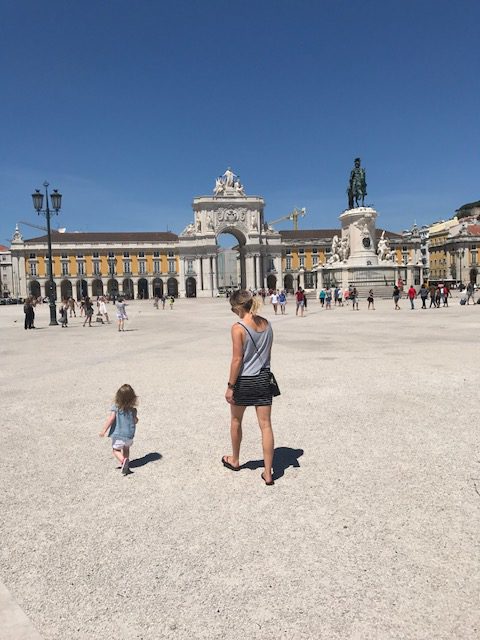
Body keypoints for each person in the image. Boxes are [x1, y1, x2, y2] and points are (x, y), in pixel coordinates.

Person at [223, 290, 276, 486]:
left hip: (244, 380)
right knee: (266, 426)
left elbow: (237, 360)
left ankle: (235, 460)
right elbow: (268, 352)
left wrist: (230, 386)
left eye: (232, 308)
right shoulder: (267, 324)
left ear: (238, 307)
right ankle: (268, 473)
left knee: (236, 420)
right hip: (263, 378)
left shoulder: (238, 328)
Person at [99, 384, 138, 475]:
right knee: (126, 448)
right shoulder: (133, 410)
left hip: (118, 434)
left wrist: (104, 430)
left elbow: (111, 419)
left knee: (116, 450)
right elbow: (135, 421)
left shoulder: (116, 407)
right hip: (129, 436)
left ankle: (123, 461)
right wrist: (136, 419)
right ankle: (126, 463)